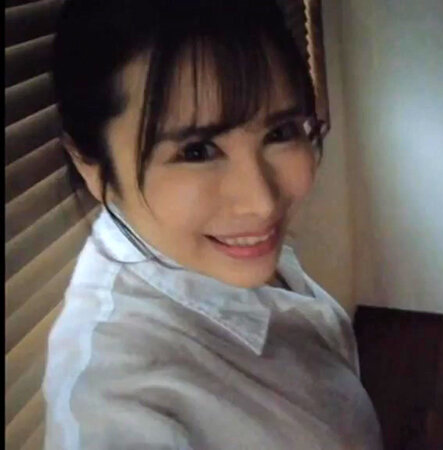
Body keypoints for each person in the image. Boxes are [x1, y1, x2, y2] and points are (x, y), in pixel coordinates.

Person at [41, 0, 383, 448]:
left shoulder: (211, 249)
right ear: (92, 166)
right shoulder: (116, 404)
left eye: (280, 132)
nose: (262, 203)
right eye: (197, 151)